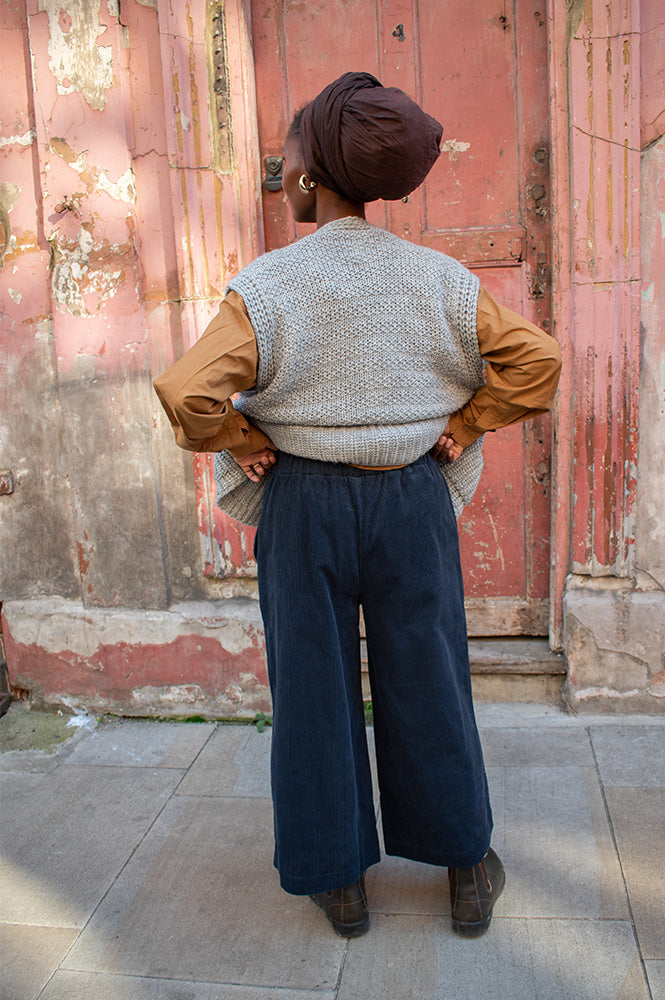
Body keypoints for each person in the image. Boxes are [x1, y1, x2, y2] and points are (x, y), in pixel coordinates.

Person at [154, 71, 561, 940]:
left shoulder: (267, 286)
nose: (284, 170)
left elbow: (189, 391)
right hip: (410, 500)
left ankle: (335, 880)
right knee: (432, 680)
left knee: (312, 688)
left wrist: (240, 440)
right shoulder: (438, 279)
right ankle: (464, 868)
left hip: (302, 506)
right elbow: (538, 366)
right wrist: (466, 416)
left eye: (290, 157)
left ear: (309, 178)